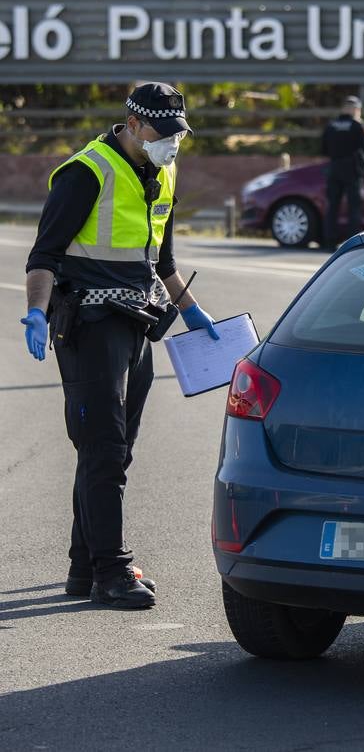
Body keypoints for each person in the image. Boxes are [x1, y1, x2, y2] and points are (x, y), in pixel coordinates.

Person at [21, 82, 219, 610]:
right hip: (89, 327)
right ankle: (112, 571)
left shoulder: (164, 172)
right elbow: (44, 254)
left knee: (113, 450)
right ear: (133, 125)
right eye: (162, 133)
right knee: (103, 448)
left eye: (179, 134)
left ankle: (83, 567)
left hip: (137, 324)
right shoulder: (86, 172)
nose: (172, 144)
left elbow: (165, 262)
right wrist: (37, 312)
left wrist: (194, 313)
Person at [322, 95, 364, 250]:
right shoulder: (357, 125)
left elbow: (323, 149)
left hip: (334, 169)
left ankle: (329, 241)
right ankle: (352, 244)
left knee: (333, 207)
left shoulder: (330, 125)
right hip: (352, 170)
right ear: (355, 110)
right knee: (354, 208)